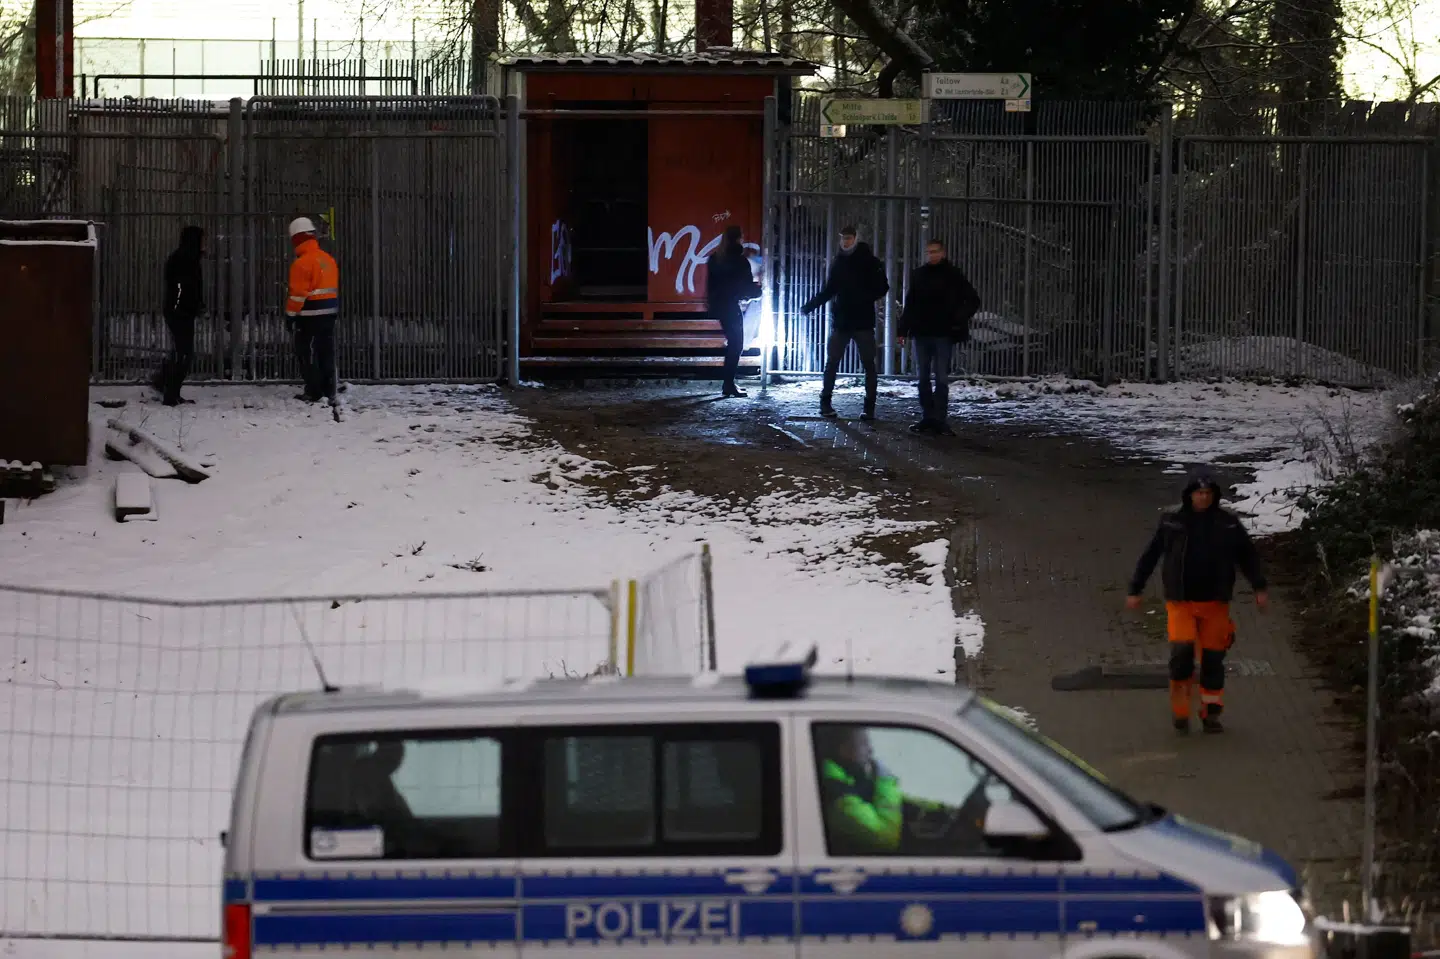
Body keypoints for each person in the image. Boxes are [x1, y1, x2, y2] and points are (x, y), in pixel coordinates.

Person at [1126, 476, 1269, 734]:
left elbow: (1248, 556)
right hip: (1181, 602)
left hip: (1215, 603)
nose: (1203, 497)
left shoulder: (1228, 524)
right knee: (1181, 654)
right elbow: (1151, 555)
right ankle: (1180, 712)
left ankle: (1211, 713)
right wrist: (1136, 587)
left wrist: (1259, 586)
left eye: (1207, 493)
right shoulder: (1172, 523)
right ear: (1189, 495)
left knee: (1213, 659)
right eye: (1199, 492)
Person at [801, 225, 889, 421]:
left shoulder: (868, 261)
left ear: (856, 239)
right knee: (835, 362)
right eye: (843, 239)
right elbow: (829, 289)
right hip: (845, 320)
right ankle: (826, 403)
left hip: (860, 320)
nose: (845, 242)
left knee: (865, 364)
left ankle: (868, 407)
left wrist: (864, 297)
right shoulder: (840, 262)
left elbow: (883, 286)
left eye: (848, 238)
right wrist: (810, 306)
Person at [898, 239, 981, 436]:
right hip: (924, 332)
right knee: (924, 377)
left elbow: (972, 300)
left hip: (942, 332)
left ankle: (939, 419)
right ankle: (929, 417)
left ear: (942, 253)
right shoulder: (920, 275)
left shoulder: (953, 275)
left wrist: (957, 318)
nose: (932, 255)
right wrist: (903, 329)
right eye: (929, 252)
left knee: (941, 378)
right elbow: (911, 303)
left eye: (935, 251)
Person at [814, 725, 904, 853]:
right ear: (844, 750)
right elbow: (886, 837)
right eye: (864, 744)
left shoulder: (848, 778)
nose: (870, 751)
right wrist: (886, 781)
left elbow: (878, 796)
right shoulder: (835, 792)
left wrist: (933, 807)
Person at [286, 217, 340, 406]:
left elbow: (298, 295)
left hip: (309, 316)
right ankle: (329, 389)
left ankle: (313, 390)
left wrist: (290, 315)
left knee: (307, 353)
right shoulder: (328, 259)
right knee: (326, 352)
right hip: (329, 313)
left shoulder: (301, 263)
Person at [705, 225, 761, 398]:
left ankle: (728, 383)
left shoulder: (715, 258)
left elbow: (711, 285)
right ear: (738, 239)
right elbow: (745, 288)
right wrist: (758, 290)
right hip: (731, 305)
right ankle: (728, 384)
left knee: (734, 343)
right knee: (736, 344)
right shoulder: (739, 260)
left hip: (719, 305)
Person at [156, 225, 205, 407]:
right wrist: (182, 306)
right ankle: (169, 391)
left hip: (182, 310)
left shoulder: (188, 258)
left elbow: (190, 287)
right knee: (183, 353)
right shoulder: (184, 259)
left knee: (181, 352)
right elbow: (180, 287)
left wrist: (196, 305)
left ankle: (168, 387)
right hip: (179, 312)